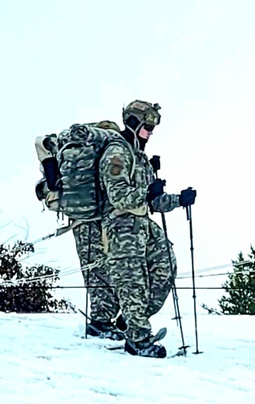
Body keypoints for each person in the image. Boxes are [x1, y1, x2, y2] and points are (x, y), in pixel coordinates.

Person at [98, 100, 196, 358]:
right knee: (132, 282)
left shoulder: (138, 156)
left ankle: (131, 319)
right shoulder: (116, 153)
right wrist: (146, 191)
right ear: (133, 123)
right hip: (122, 225)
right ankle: (138, 339)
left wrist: (178, 199)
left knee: (166, 269)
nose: (151, 132)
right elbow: (118, 196)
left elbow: (154, 202)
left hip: (143, 224)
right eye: (148, 127)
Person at [34, 123, 125, 339]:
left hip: (82, 219)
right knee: (100, 269)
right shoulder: (104, 152)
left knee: (98, 268)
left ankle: (106, 319)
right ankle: (100, 322)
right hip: (98, 218)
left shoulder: (70, 155)